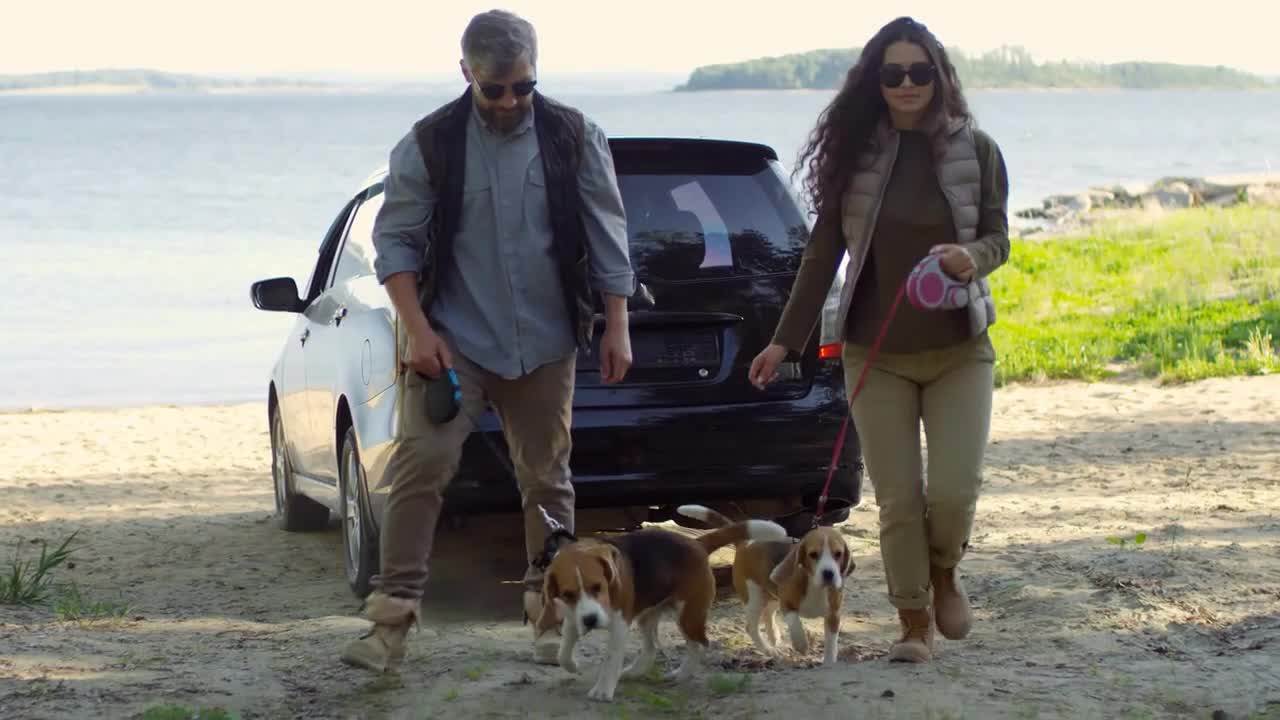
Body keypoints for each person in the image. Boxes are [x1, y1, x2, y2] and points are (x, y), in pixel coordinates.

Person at [340, 9, 636, 673]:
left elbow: (606, 230)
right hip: (453, 343)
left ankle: (546, 615)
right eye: (493, 89)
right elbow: (394, 244)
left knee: (547, 480)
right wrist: (418, 333)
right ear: (466, 73)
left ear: (535, 73)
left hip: (547, 339)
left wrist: (616, 322)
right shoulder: (429, 143)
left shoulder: (573, 135)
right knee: (420, 465)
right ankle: (391, 622)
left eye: (522, 88)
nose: (508, 102)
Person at [749, 16, 1010, 664]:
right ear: (876, 81)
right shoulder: (856, 157)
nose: (907, 84)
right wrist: (785, 341)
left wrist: (972, 255)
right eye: (892, 73)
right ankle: (913, 620)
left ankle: (945, 570)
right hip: (874, 352)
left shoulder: (977, 150)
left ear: (939, 76)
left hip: (959, 349)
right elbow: (820, 256)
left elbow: (1002, 239)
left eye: (919, 71)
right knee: (897, 499)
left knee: (953, 490)